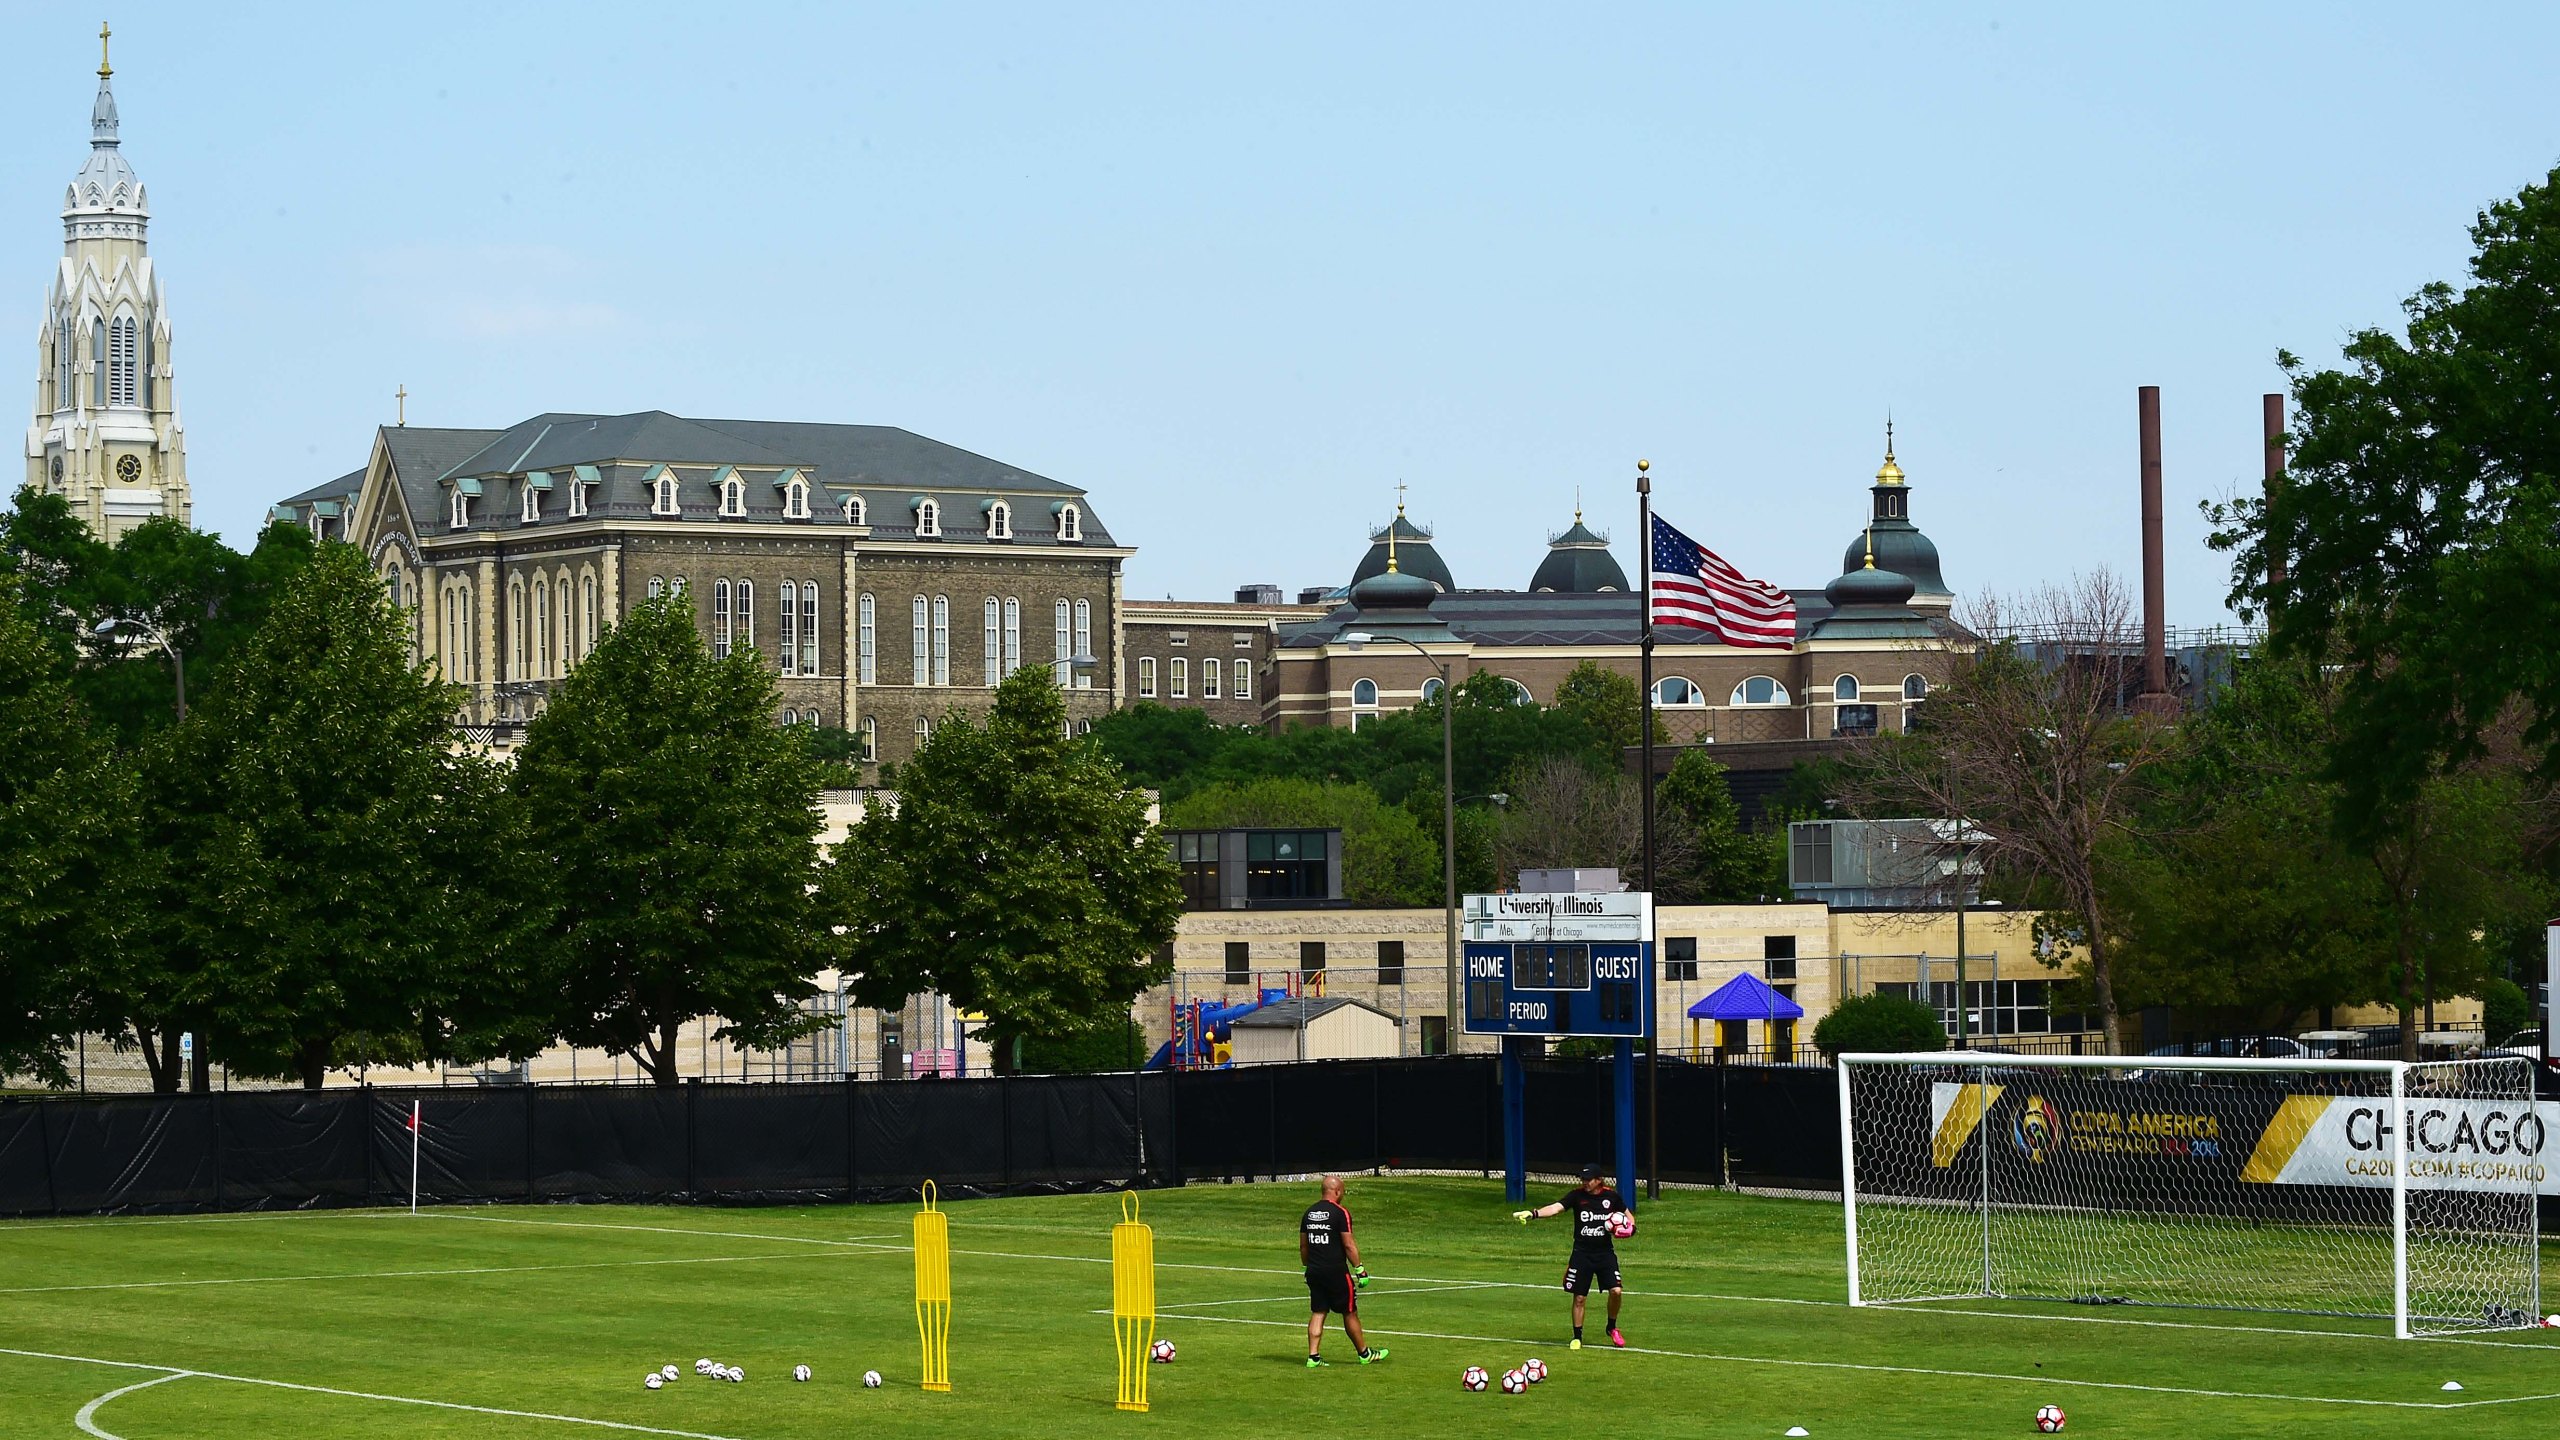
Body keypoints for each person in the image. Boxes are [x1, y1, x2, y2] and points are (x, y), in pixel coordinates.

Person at [1513, 1163, 1628, 1349]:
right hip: (1582, 1254)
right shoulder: (1577, 1196)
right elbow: (1555, 1208)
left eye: (1588, 1179)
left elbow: (1628, 1217)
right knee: (1580, 1297)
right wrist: (1533, 1214)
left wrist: (1630, 1230)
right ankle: (1577, 1336)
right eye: (1582, 1179)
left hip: (1605, 1254)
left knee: (1616, 1291)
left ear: (1599, 1180)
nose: (1585, 1182)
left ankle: (1612, 1327)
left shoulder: (1611, 1197)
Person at [1299, 1174, 1387, 1367]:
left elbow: (1304, 1246)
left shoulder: (1309, 1213)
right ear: (1337, 1191)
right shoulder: (1340, 1213)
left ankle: (1313, 1357)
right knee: (1349, 1312)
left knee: (1318, 1311)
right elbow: (1348, 1244)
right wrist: (1360, 1269)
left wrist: (1307, 1266)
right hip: (1336, 1271)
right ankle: (1364, 1354)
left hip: (1314, 1270)